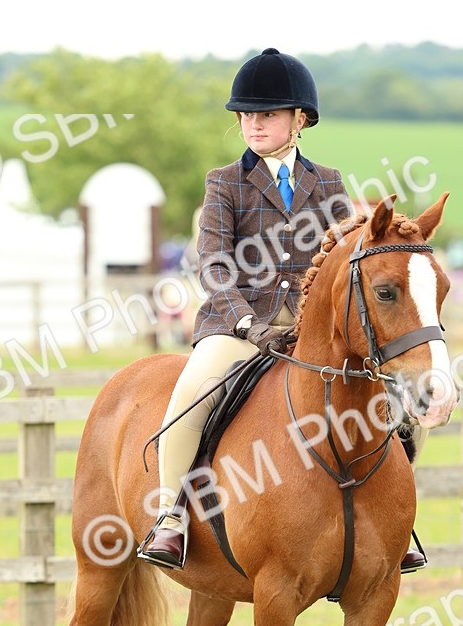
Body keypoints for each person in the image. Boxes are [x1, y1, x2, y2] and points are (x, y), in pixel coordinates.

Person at [137, 47, 427, 573]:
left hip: (313, 325)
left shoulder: (330, 182)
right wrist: (247, 321)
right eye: (246, 115)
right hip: (239, 323)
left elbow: (344, 258)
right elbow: (214, 266)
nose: (252, 124)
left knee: (400, 400)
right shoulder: (225, 182)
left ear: (300, 119)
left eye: (266, 114)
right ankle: (170, 518)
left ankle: (395, 520)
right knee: (192, 391)